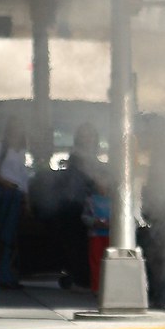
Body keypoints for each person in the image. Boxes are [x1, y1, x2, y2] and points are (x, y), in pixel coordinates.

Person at [58, 122, 109, 290]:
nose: (88, 139)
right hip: (77, 206)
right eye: (85, 136)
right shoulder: (76, 159)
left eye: (90, 135)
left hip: (93, 205)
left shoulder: (94, 160)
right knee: (79, 244)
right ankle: (81, 275)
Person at [0, 116, 30, 288]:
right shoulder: (0, 146)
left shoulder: (22, 151)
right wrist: (1, 181)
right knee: (1, 234)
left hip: (16, 195)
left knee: (10, 236)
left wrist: (26, 197)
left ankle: (6, 273)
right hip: (4, 193)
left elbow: (23, 176)